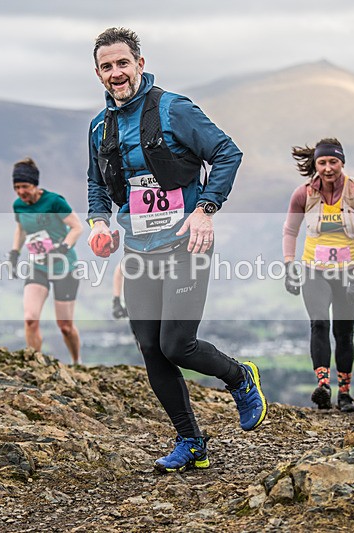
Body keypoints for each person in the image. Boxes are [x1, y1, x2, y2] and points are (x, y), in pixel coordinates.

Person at [86, 27, 267, 473]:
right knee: (150, 347)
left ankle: (240, 376)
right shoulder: (98, 126)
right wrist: (97, 224)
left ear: (140, 64)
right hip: (139, 251)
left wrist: (205, 209)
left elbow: (227, 152)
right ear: (98, 73)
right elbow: (96, 182)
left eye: (123, 63)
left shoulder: (174, 109)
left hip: (186, 243)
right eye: (107, 67)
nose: (116, 73)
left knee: (177, 344)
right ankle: (191, 442)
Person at [282, 138, 354, 412]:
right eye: (322, 162)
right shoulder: (303, 194)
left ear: (342, 163)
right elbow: (290, 231)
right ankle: (323, 386)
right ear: (315, 164)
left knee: (344, 333)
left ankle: (345, 394)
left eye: (333, 161)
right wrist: (290, 265)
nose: (327, 168)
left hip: (348, 271)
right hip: (314, 270)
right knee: (319, 324)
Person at [8, 157, 84, 365]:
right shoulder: (18, 206)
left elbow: (77, 227)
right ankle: (35, 364)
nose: (20, 192)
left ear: (35, 184)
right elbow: (21, 229)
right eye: (16, 187)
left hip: (64, 267)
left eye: (24, 186)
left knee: (65, 326)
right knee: (30, 318)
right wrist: (15, 253)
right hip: (39, 265)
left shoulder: (54, 201)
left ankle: (76, 362)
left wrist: (63, 247)